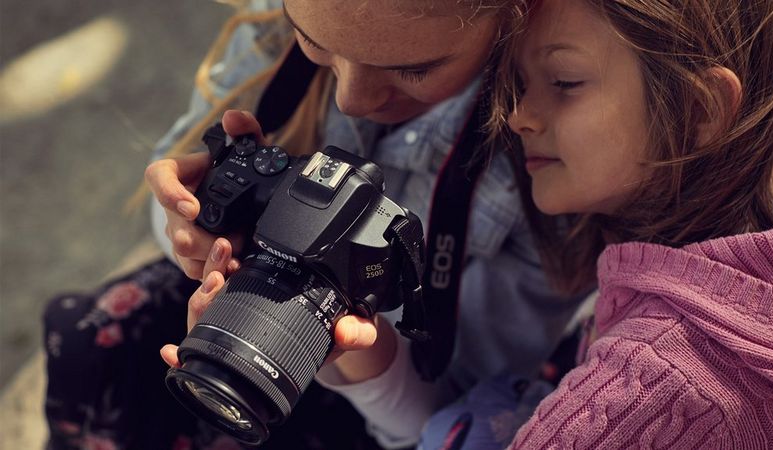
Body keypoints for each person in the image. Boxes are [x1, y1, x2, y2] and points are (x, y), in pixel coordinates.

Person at [44, 0, 590, 449]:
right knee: (88, 346)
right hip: (234, 308)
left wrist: (367, 359)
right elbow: (168, 200)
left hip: (389, 397)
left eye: (412, 68)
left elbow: (456, 420)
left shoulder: (550, 166)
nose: (350, 100)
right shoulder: (275, 29)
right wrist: (190, 229)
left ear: (517, 16)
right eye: (316, 44)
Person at [413, 0, 773, 447]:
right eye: (521, 84)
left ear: (699, 110)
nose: (519, 117)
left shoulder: (623, 410)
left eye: (564, 82)